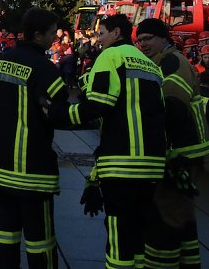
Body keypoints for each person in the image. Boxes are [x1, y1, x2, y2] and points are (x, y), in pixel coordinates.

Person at [47, 14, 167, 269]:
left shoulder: (110, 57)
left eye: (102, 33)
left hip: (122, 163)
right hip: (153, 163)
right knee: (137, 235)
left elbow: (99, 104)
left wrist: (61, 114)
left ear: (117, 33)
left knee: (118, 235)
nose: (98, 39)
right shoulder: (151, 65)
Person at [0, 7, 68, 268]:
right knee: (40, 243)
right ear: (38, 34)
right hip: (34, 174)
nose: (56, 38)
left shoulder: (0, 62)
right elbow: (60, 109)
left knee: (4, 238)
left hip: (0, 169)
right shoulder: (44, 68)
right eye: (52, 33)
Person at [135, 18, 209, 269]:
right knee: (182, 215)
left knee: (166, 215)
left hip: (181, 153)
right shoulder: (166, 60)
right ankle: (188, 263)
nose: (143, 44)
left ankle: (161, 264)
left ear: (163, 38)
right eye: (140, 40)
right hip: (189, 151)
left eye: (148, 39)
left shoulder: (171, 63)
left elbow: (170, 106)